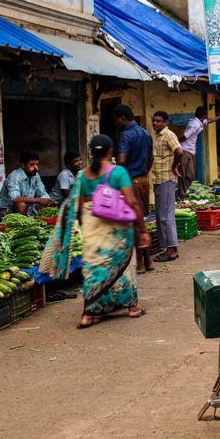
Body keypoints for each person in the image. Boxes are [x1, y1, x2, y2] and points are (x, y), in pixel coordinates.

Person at [39, 135, 149, 329]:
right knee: (123, 266)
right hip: (116, 227)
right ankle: (132, 307)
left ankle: (89, 314)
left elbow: (78, 206)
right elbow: (132, 202)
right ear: (111, 151)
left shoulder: (82, 175)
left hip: (92, 226)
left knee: (94, 269)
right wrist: (142, 229)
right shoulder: (118, 172)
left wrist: (84, 228)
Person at [114, 104, 154, 274]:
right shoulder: (145, 133)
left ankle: (140, 264)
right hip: (144, 179)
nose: (115, 123)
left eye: (116, 119)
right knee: (141, 219)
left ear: (122, 118)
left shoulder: (125, 135)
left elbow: (122, 160)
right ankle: (148, 260)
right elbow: (151, 158)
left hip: (131, 181)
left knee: (135, 222)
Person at [150, 111, 182, 262]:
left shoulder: (168, 135)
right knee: (162, 215)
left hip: (166, 178)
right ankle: (171, 248)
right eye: (154, 121)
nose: (155, 123)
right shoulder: (157, 136)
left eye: (159, 121)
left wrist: (174, 166)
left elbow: (179, 151)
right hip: (158, 179)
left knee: (166, 216)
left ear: (165, 122)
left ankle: (170, 251)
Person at [179, 105, 220, 199]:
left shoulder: (198, 121)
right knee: (185, 175)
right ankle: (183, 195)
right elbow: (184, 136)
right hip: (185, 150)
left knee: (190, 175)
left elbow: (209, 121)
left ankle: (185, 193)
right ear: (203, 116)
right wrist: (176, 145)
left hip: (191, 151)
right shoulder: (195, 125)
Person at [0, 152, 54, 220]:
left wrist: (48, 201)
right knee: (21, 204)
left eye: (37, 164)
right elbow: (15, 198)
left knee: (44, 203)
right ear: (23, 165)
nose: (36, 168)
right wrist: (39, 200)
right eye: (32, 165)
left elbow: (43, 193)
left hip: (25, 208)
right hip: (5, 211)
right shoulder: (14, 176)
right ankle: (24, 226)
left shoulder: (35, 175)